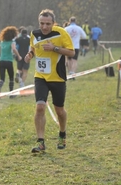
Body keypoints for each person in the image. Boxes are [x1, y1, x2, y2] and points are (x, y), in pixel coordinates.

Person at [24, 9, 75, 153]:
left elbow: (71, 52)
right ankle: (40, 142)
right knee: (40, 107)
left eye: (48, 24)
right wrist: (30, 55)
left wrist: (55, 48)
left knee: (59, 110)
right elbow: (34, 48)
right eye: (42, 23)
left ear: (53, 23)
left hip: (57, 77)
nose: (44, 27)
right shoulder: (34, 34)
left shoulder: (61, 33)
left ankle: (62, 134)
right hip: (40, 77)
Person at [0, 26, 22, 95]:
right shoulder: (12, 42)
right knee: (11, 78)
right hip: (9, 61)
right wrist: (18, 56)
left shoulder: (2, 42)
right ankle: (11, 94)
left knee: (2, 78)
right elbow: (14, 49)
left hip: (1, 61)